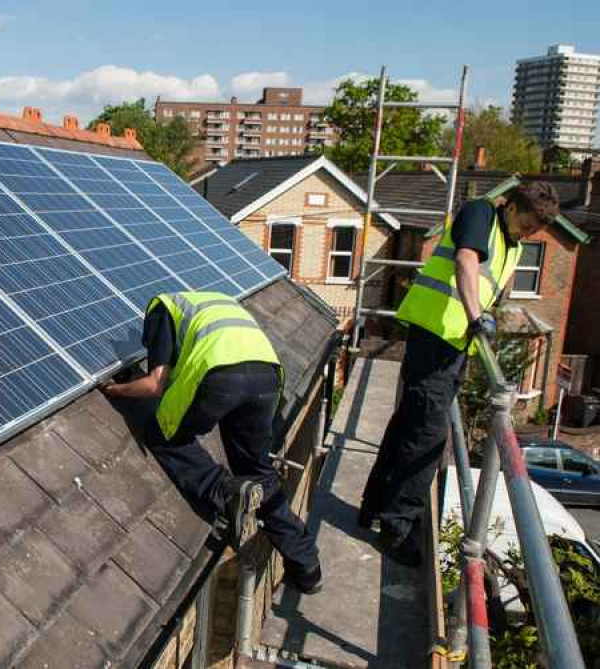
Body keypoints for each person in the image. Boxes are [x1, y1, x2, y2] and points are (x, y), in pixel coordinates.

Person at [360, 181, 560, 566]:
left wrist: (479, 322)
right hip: (436, 335)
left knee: (410, 426)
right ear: (513, 207)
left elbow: (488, 287)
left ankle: (374, 508)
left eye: (537, 230)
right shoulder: (481, 213)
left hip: (453, 345)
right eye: (529, 224)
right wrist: (474, 317)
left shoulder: (511, 244)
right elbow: (466, 261)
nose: (529, 234)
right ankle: (398, 526)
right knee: (429, 436)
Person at [101, 291, 322, 594]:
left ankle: (224, 493)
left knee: (164, 433)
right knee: (257, 470)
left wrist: (116, 390)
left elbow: (155, 383)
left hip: (221, 375)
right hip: (267, 375)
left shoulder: (161, 309)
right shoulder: (214, 302)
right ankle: (306, 564)